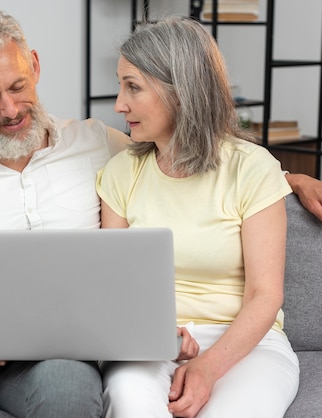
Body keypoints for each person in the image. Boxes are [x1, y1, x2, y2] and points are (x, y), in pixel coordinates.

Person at [0, 9, 322, 418]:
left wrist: (292, 180)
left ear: (36, 67)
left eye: (18, 87)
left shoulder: (100, 146)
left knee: (70, 395)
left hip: (55, 352)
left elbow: (194, 161)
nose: (9, 109)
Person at [96, 16, 303, 417]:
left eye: (132, 87)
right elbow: (116, 289)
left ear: (180, 91)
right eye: (120, 86)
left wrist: (208, 367)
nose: (119, 104)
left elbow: (266, 295)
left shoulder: (252, 168)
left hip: (247, 344)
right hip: (152, 343)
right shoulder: (122, 172)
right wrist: (159, 336)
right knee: (129, 403)